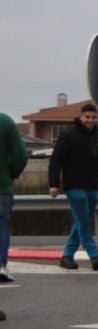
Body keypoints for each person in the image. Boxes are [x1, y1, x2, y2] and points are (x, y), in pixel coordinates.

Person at [48, 101, 98, 271]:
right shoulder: (68, 136)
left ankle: (67, 256)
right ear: (81, 116)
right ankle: (94, 255)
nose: (90, 120)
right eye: (87, 117)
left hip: (92, 186)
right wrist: (54, 184)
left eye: (94, 117)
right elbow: (56, 161)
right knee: (83, 221)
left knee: (81, 221)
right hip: (73, 186)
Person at [0, 108, 26, 286]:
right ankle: (1, 265)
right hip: (2, 186)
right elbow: (20, 155)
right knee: (1, 227)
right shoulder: (5, 122)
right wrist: (10, 175)